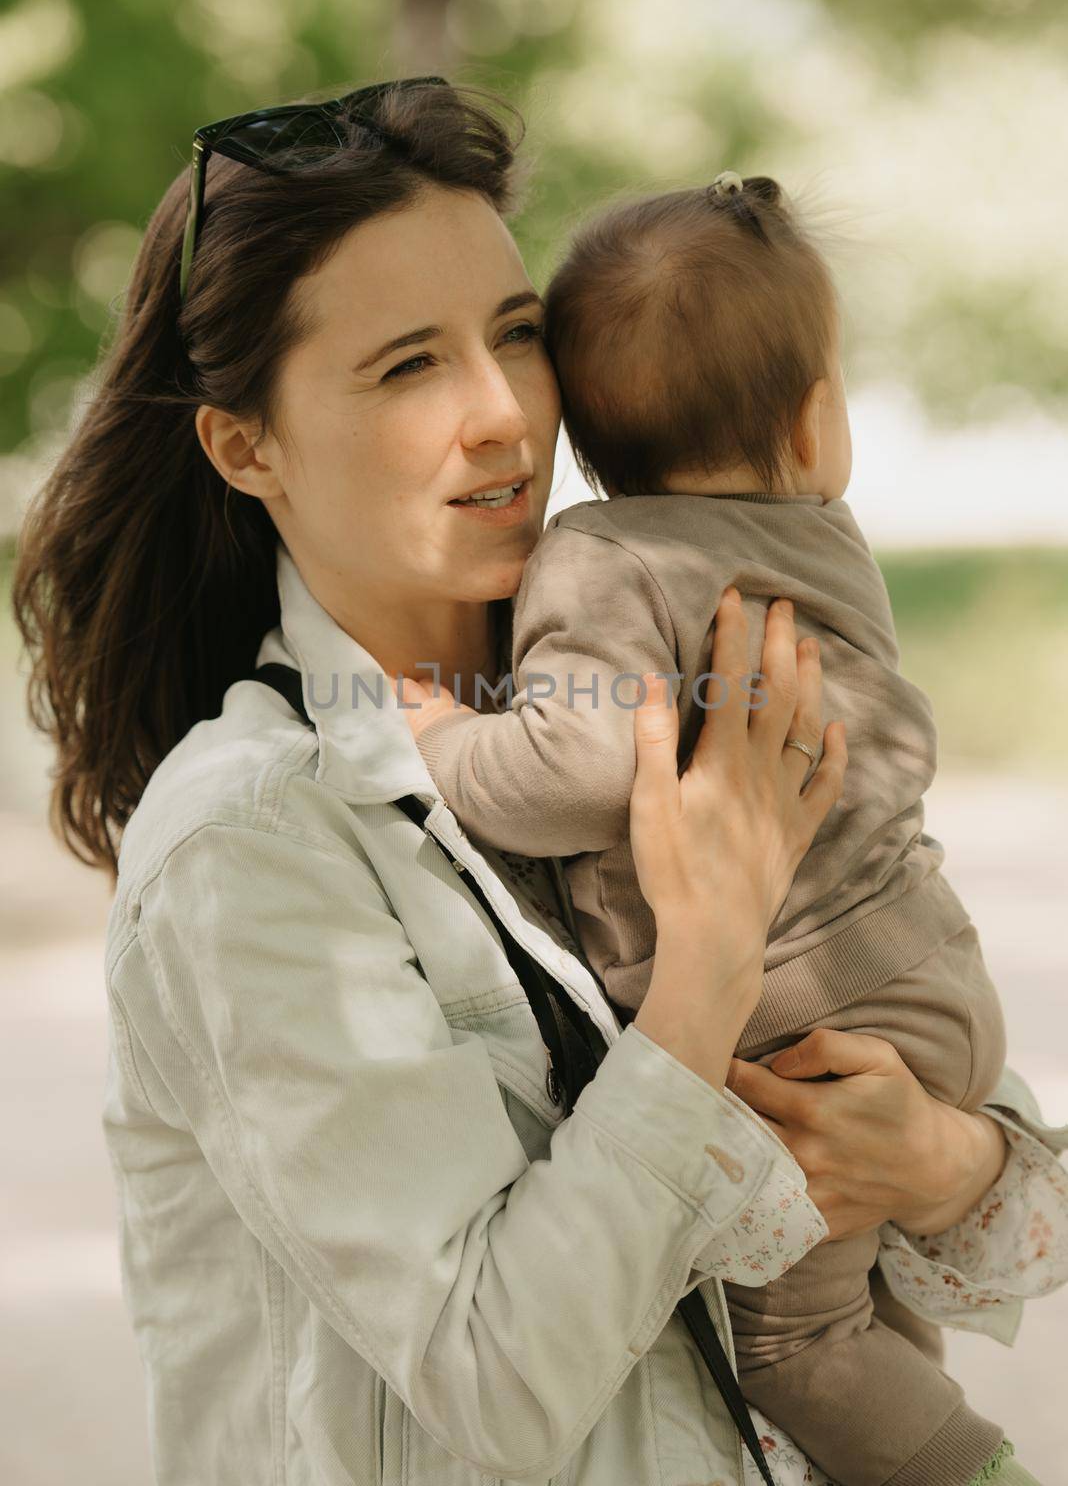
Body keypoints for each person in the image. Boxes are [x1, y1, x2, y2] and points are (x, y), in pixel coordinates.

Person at [11, 78, 1067, 1486]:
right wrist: (704, 967)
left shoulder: (675, 652)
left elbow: (1020, 1192)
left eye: (516, 337)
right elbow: (498, 1379)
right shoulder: (253, 843)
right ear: (245, 442)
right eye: (408, 368)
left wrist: (934, 1161)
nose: (503, 412)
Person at [398, 171, 1039, 1483]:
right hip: (927, 981)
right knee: (862, 1319)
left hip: (797, 1028)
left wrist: (442, 742)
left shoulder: (600, 558)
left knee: (799, 1352)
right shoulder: (823, 534)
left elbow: (575, 768)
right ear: (812, 427)